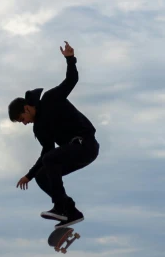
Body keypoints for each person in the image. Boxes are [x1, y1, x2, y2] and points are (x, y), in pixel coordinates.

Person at [8, 41, 100, 227]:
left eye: (22, 118)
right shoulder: (39, 128)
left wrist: (70, 59)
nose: (24, 123)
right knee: (43, 175)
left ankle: (59, 208)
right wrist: (30, 175)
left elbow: (71, 81)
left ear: (27, 108)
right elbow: (46, 153)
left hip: (86, 145)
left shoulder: (51, 99)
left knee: (50, 160)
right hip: (73, 152)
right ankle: (71, 211)